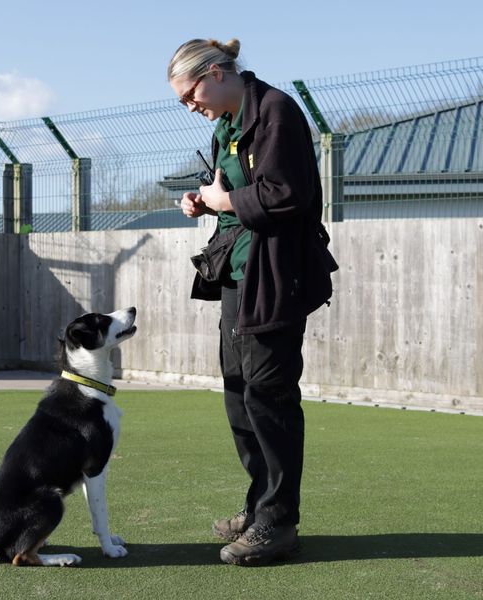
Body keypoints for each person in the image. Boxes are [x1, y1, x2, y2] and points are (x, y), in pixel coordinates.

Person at [168, 38, 338, 566]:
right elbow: (237, 194)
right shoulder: (226, 125)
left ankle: (278, 523)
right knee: (239, 394)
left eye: (188, 94)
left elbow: (288, 195)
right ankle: (259, 503)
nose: (188, 105)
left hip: (276, 275)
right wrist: (206, 202)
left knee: (270, 396)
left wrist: (226, 201)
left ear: (216, 73)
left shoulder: (277, 111)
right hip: (237, 275)